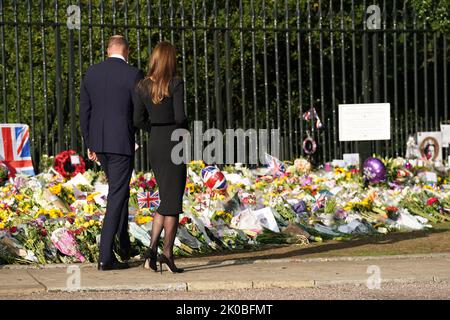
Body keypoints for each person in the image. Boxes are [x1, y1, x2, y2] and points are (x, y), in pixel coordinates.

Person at [80, 35, 143, 271]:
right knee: (117, 194)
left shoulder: (91, 73)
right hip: (120, 143)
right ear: (127, 51)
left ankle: (124, 246)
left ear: (108, 50)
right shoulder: (133, 74)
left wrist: (89, 143)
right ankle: (106, 256)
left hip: (99, 143)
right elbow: (138, 112)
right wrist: (134, 132)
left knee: (121, 190)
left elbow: (84, 111)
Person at [133, 41, 187, 274]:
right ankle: (166, 253)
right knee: (172, 201)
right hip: (173, 141)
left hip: (155, 140)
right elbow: (181, 117)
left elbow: (137, 120)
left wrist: (154, 127)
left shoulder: (142, 86)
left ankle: (151, 253)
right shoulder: (175, 83)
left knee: (166, 197)